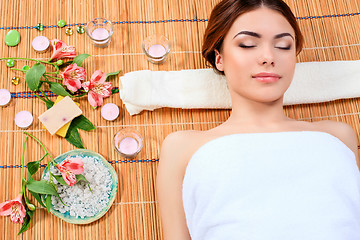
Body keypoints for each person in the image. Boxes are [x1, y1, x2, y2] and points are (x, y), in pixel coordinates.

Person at [156, 0, 360, 239]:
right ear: (219, 59)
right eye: (248, 44)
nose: (268, 57)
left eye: (283, 46)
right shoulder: (182, 147)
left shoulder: (338, 136)